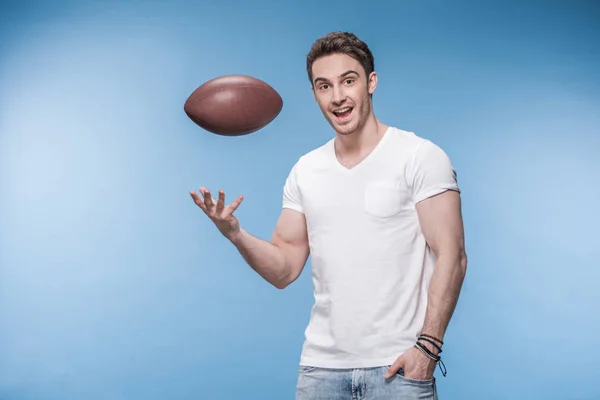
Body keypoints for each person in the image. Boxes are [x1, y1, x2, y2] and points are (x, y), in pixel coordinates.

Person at [190, 31, 467, 400]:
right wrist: (235, 234)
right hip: (320, 373)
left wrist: (428, 350)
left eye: (348, 81)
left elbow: (453, 256)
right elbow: (284, 268)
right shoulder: (306, 170)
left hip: (398, 370)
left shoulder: (420, 157)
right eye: (324, 86)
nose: (337, 97)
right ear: (314, 94)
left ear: (371, 83)